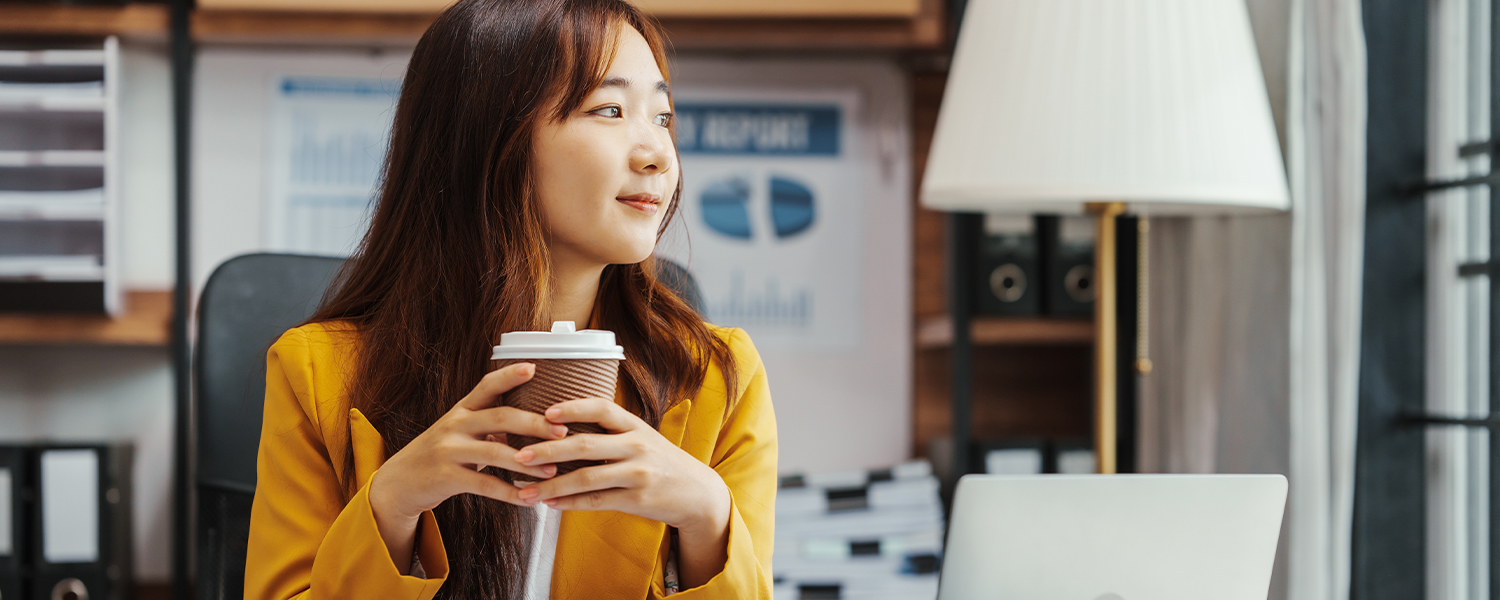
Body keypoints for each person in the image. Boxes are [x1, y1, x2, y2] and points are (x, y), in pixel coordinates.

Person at [243, 0, 777, 598]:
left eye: (662, 116)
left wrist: (707, 517)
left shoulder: (715, 379)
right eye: (609, 109)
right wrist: (391, 505)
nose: (658, 154)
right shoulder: (317, 372)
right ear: (487, 139)